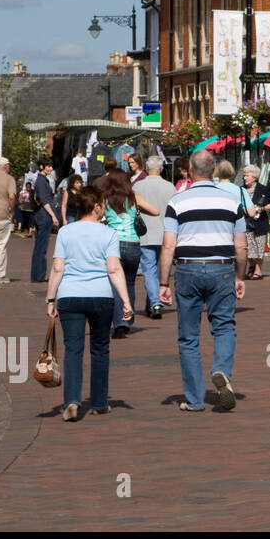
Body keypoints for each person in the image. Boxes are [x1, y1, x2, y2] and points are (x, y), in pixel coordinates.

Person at [158, 149, 247, 412]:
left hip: (188, 269)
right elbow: (241, 246)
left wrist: (163, 282)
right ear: (214, 171)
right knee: (224, 327)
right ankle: (221, 370)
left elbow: (167, 245)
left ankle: (195, 399)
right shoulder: (232, 202)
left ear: (191, 171)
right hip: (222, 268)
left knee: (188, 337)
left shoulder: (177, 202)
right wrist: (240, 275)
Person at [46, 186, 133, 421]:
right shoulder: (108, 234)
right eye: (103, 204)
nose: (104, 208)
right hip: (101, 295)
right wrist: (125, 300)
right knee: (100, 348)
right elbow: (114, 268)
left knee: (73, 349)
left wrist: (51, 298)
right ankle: (99, 402)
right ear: (96, 207)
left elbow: (57, 267)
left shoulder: (66, 232)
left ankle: (72, 401)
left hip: (70, 295)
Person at [98, 168, 159, 338]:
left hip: (112, 243)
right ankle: (125, 321)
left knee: (114, 284)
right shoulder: (133, 198)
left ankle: (116, 321)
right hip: (132, 243)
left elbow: (96, 216)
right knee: (130, 283)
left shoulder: (106, 199)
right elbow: (156, 211)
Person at [134, 155, 176, 319]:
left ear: (146, 167)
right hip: (166, 232)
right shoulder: (169, 186)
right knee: (160, 269)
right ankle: (153, 300)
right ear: (162, 168)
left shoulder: (138, 186)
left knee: (149, 269)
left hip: (145, 232)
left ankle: (154, 301)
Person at [240, 165, 270, 280]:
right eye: (244, 175)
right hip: (246, 223)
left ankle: (258, 270)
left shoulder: (263, 189)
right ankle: (252, 266)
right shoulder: (241, 190)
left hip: (260, 222)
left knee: (259, 247)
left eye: (247, 175)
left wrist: (263, 208)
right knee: (249, 247)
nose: (245, 178)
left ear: (254, 177)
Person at [30, 157, 61, 283]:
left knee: (40, 247)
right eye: (48, 166)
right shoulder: (41, 181)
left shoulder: (42, 180)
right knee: (41, 247)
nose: (50, 168)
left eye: (51, 166)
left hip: (41, 214)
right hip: (44, 215)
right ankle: (39, 276)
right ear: (41, 166)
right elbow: (44, 200)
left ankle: (37, 275)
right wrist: (53, 215)